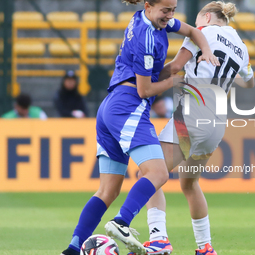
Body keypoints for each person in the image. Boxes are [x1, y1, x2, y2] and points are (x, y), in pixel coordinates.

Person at [60, 0, 219, 254]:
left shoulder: (145, 18)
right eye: (166, 10)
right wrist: (174, 82)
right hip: (129, 106)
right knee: (158, 174)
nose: (170, 16)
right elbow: (145, 90)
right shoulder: (147, 38)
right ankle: (122, 222)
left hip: (110, 107)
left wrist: (206, 50)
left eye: (173, 10)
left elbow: (193, 31)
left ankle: (72, 248)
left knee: (107, 191)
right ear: (148, 6)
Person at [129, 1, 255, 255]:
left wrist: (142, 81)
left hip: (191, 115)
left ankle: (159, 239)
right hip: (216, 124)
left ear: (206, 17)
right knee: (189, 184)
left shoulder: (204, 33)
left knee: (149, 175)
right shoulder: (242, 48)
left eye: (198, 21)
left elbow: (175, 67)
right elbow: (249, 84)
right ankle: (205, 247)